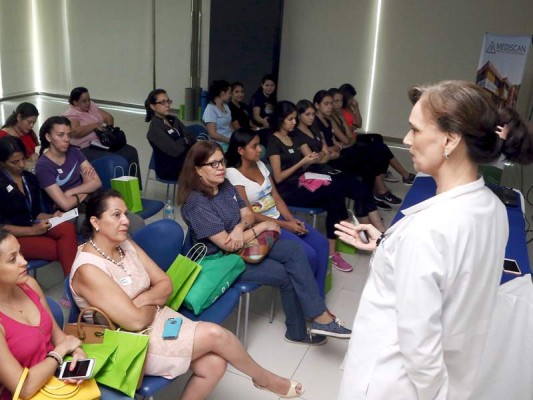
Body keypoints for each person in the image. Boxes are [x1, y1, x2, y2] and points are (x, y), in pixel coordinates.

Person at [335, 80, 533, 400]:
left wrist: (436, 394)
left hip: (391, 383)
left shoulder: (426, 231)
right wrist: (388, 245)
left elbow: (419, 342)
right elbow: (449, 276)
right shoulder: (493, 208)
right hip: (455, 371)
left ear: (449, 140)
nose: (406, 139)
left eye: (414, 130)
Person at [70, 190, 306, 399]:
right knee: (217, 335)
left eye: (126, 214)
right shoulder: (88, 269)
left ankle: (263, 380)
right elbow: (134, 321)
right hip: (129, 341)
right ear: (95, 222)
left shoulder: (125, 244)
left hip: (158, 320)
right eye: (116, 215)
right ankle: (265, 379)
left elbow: (165, 282)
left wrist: (142, 300)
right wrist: (153, 300)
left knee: (215, 364)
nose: (126, 221)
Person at [178, 141, 352, 345]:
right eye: (213, 164)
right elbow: (228, 245)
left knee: (295, 251)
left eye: (222, 161)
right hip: (222, 260)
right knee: (286, 273)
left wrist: (238, 228)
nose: (221, 167)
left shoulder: (224, 186)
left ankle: (318, 316)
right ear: (198, 170)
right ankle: (299, 330)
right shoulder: (196, 202)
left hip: (245, 241)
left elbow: (248, 215)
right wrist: (263, 226)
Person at [0, 230, 131, 400]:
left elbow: (58, 336)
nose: (24, 262)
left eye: (21, 253)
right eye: (12, 259)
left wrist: (77, 352)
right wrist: (60, 353)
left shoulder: (29, 285)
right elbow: (23, 388)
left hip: (55, 381)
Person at [225, 129, 330, 297]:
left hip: (281, 219)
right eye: (254, 146)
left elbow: (277, 197)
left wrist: (291, 220)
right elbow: (250, 214)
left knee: (322, 245)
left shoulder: (260, 165)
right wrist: (286, 225)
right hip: (262, 226)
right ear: (240, 151)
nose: (260, 149)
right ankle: (307, 300)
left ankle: (318, 297)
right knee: (308, 254)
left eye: (259, 144)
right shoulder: (233, 174)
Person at [267, 100, 360, 272]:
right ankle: (339, 239)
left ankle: (337, 239)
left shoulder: (293, 136)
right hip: (288, 190)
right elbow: (278, 178)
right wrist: (302, 163)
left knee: (336, 188)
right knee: (333, 195)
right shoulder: (274, 142)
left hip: (304, 181)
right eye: (290, 119)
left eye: (295, 118)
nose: (294, 122)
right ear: (281, 120)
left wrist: (311, 161)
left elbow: (314, 157)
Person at [34, 116, 144, 233]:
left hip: (91, 202)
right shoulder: (43, 166)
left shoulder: (74, 152)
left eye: (68, 135)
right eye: (60, 135)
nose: (66, 139)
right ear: (48, 137)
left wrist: (71, 192)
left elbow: (97, 182)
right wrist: (87, 186)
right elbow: (65, 204)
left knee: (137, 222)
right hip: (70, 214)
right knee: (110, 228)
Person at [292, 100, 385, 233]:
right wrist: (325, 154)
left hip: (327, 169)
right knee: (350, 190)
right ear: (299, 116)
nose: (312, 117)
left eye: (313, 114)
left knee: (362, 188)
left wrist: (323, 155)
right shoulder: (297, 135)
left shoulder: (315, 130)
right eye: (308, 114)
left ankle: (379, 230)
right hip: (315, 174)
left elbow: (323, 153)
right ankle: (368, 232)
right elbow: (313, 160)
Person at [313, 90, 403, 210]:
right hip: (332, 159)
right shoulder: (317, 123)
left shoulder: (329, 119)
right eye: (327, 103)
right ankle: (372, 199)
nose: (331, 106)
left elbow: (346, 139)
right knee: (370, 159)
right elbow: (328, 147)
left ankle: (370, 200)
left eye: (332, 103)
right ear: (317, 105)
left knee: (373, 157)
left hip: (340, 152)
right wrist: (339, 146)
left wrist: (340, 145)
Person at [0, 136, 77, 276]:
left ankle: (73, 288)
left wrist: (51, 217)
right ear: (2, 163)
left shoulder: (29, 178)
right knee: (62, 249)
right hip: (9, 236)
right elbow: (1, 227)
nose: (22, 165)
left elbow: (35, 213)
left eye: (24, 159)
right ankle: (74, 287)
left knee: (67, 227)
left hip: (32, 225)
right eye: (15, 162)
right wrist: (33, 231)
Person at [63, 87, 142, 184]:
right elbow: (75, 132)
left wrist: (108, 128)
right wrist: (95, 126)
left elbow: (108, 117)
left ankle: (134, 188)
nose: (88, 103)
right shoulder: (72, 114)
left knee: (130, 152)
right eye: (84, 101)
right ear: (75, 102)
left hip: (102, 143)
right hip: (86, 147)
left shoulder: (91, 106)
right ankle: (117, 192)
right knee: (116, 159)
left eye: (89, 99)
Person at [144, 89, 196, 181]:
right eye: (163, 102)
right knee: (206, 169)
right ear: (153, 106)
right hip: (170, 168)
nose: (167, 105)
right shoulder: (155, 130)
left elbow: (192, 137)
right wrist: (184, 140)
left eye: (168, 101)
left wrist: (180, 142)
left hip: (185, 161)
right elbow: (175, 151)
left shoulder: (173, 119)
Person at [0, 102, 40, 170]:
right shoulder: (2, 135)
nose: (32, 126)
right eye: (29, 122)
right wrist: (27, 160)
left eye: (34, 123)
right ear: (19, 117)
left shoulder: (30, 134)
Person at [202, 80, 234, 150]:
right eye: (229, 92)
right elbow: (212, 134)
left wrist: (236, 136)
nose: (230, 95)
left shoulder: (226, 106)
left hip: (230, 139)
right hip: (219, 144)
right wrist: (230, 141)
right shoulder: (210, 109)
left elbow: (229, 125)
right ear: (222, 93)